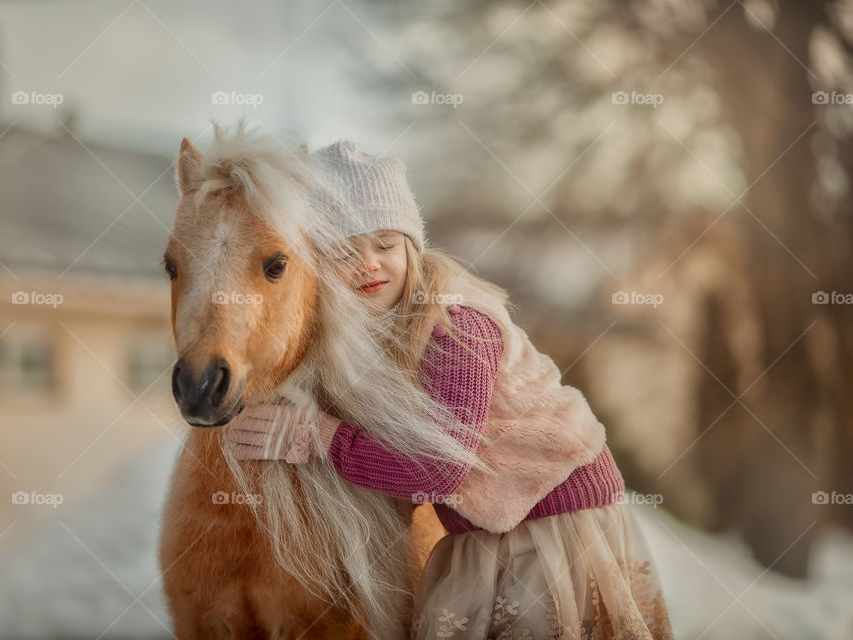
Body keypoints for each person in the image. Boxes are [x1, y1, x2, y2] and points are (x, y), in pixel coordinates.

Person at [226, 140, 675, 639]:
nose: (369, 264)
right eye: (344, 251)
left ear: (411, 246)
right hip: (489, 525)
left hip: (553, 520)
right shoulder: (378, 328)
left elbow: (441, 468)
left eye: (385, 245)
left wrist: (318, 435)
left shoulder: (455, 327)